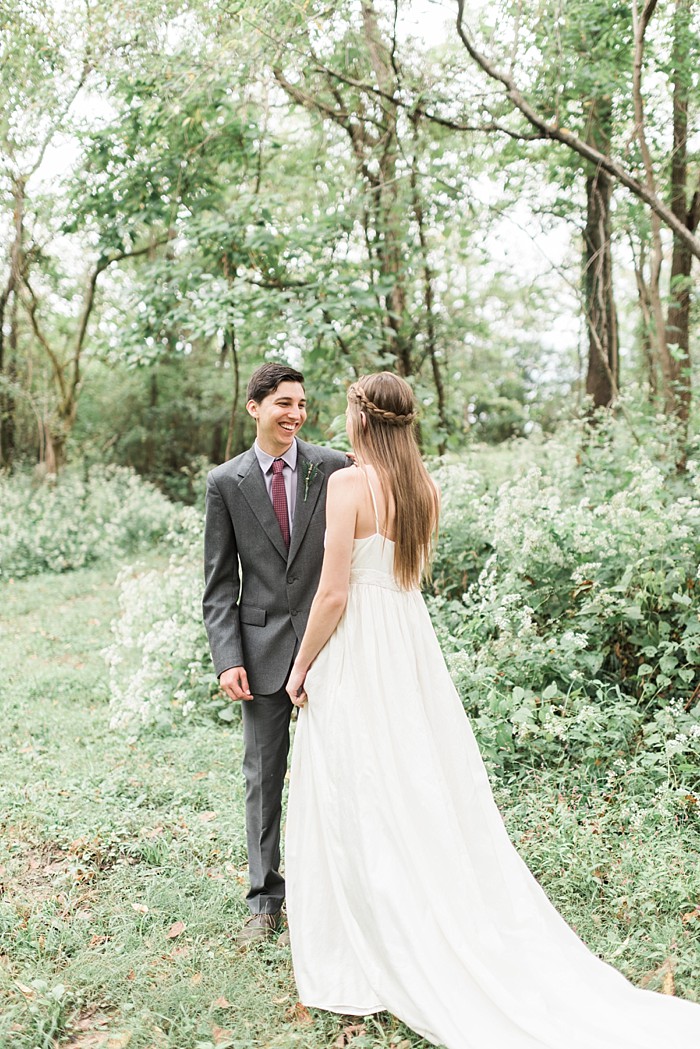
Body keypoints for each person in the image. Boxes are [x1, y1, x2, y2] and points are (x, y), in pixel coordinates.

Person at [283, 372, 699, 1049]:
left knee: (357, 785)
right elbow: (408, 579)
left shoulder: (347, 485)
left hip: (361, 648)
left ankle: (367, 945)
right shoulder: (425, 487)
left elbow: (333, 594)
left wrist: (300, 668)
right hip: (411, 649)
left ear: (363, 419)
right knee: (415, 781)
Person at [202, 362, 348, 945]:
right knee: (264, 777)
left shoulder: (333, 466)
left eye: (303, 405)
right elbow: (218, 584)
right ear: (255, 407)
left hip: (329, 647)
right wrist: (226, 656)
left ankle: (338, 889)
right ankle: (265, 899)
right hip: (259, 651)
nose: (295, 414)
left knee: (339, 770)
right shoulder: (225, 482)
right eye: (284, 403)